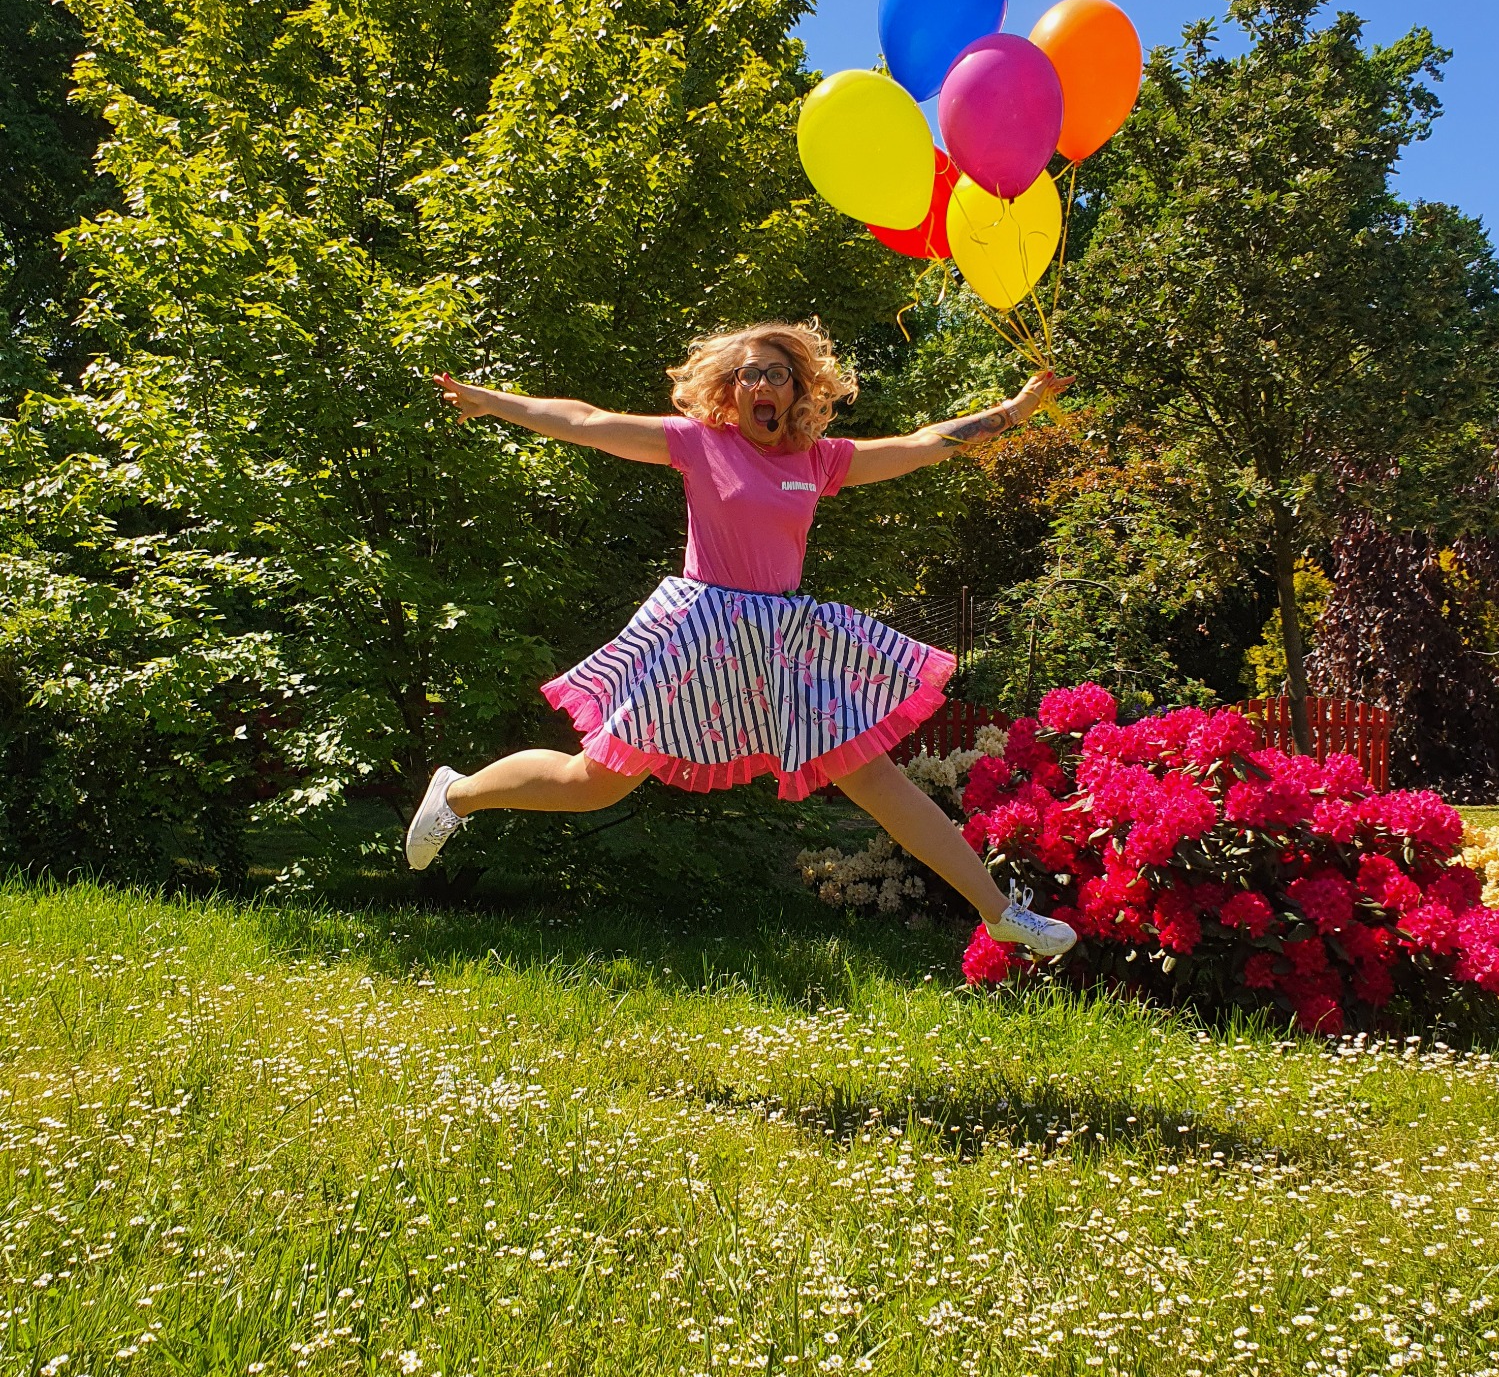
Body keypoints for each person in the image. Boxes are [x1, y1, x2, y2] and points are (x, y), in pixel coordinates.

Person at [406, 320, 1077, 958]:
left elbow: (928, 443)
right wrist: (493, 402)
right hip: (698, 635)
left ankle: (1000, 914)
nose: (763, 384)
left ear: (796, 390)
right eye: (750, 373)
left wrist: (1018, 408)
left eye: (778, 374)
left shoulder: (819, 460)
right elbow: (585, 421)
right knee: (594, 784)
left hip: (786, 641)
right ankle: (458, 794)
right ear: (730, 389)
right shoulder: (699, 443)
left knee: (875, 777)